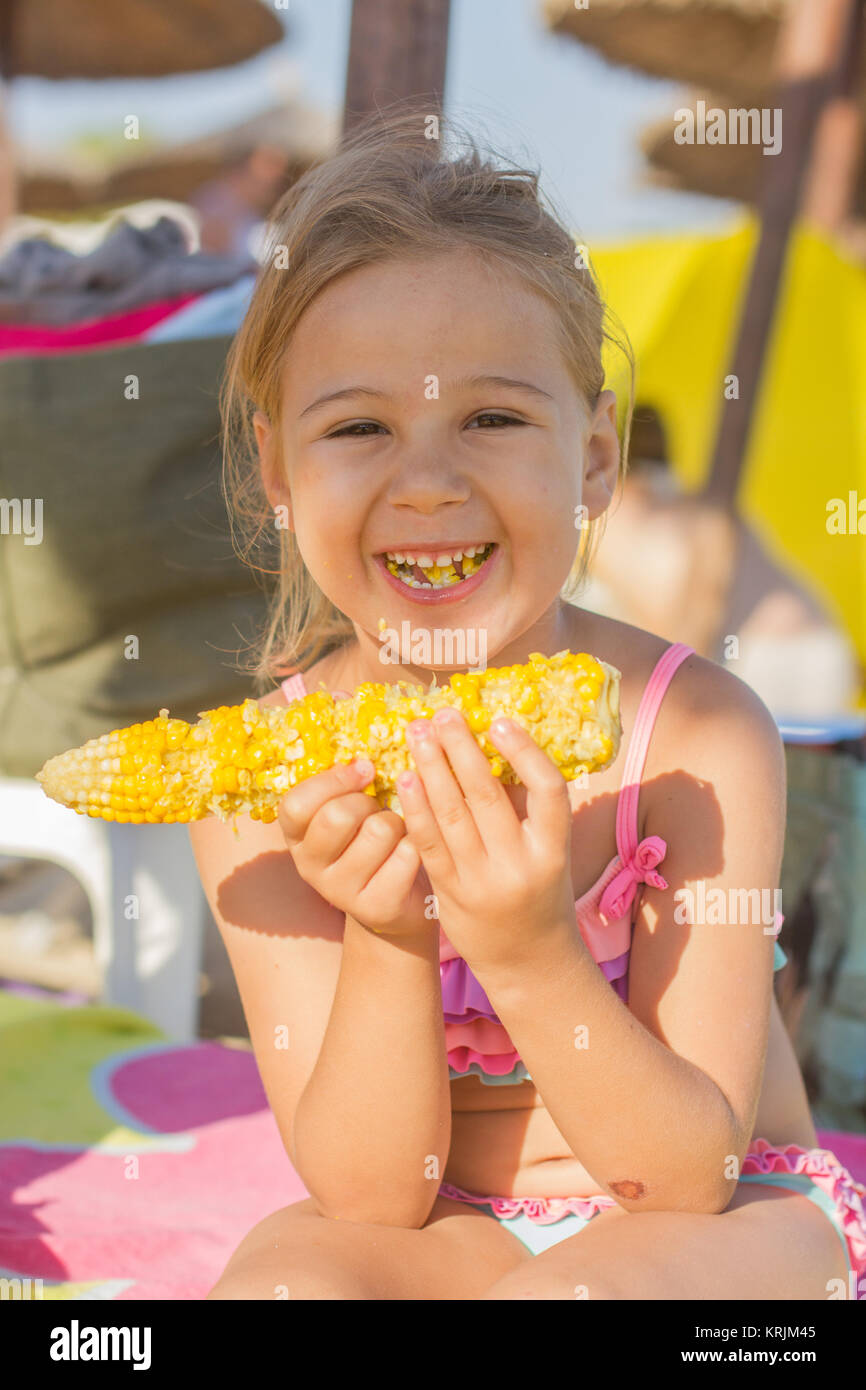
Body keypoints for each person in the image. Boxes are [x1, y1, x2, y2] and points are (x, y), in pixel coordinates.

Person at [190, 109, 866, 1300]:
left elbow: (691, 1171)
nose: (429, 482)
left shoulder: (695, 736)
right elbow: (368, 1195)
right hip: (444, 1220)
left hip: (718, 1210)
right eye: (358, 428)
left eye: (492, 419)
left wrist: (528, 950)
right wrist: (392, 935)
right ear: (280, 475)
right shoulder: (258, 786)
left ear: (594, 457)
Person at [578, 406, 863, 721]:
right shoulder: (707, 506)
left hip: (762, 663)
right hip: (823, 648)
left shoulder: (601, 518)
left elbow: (669, 634)